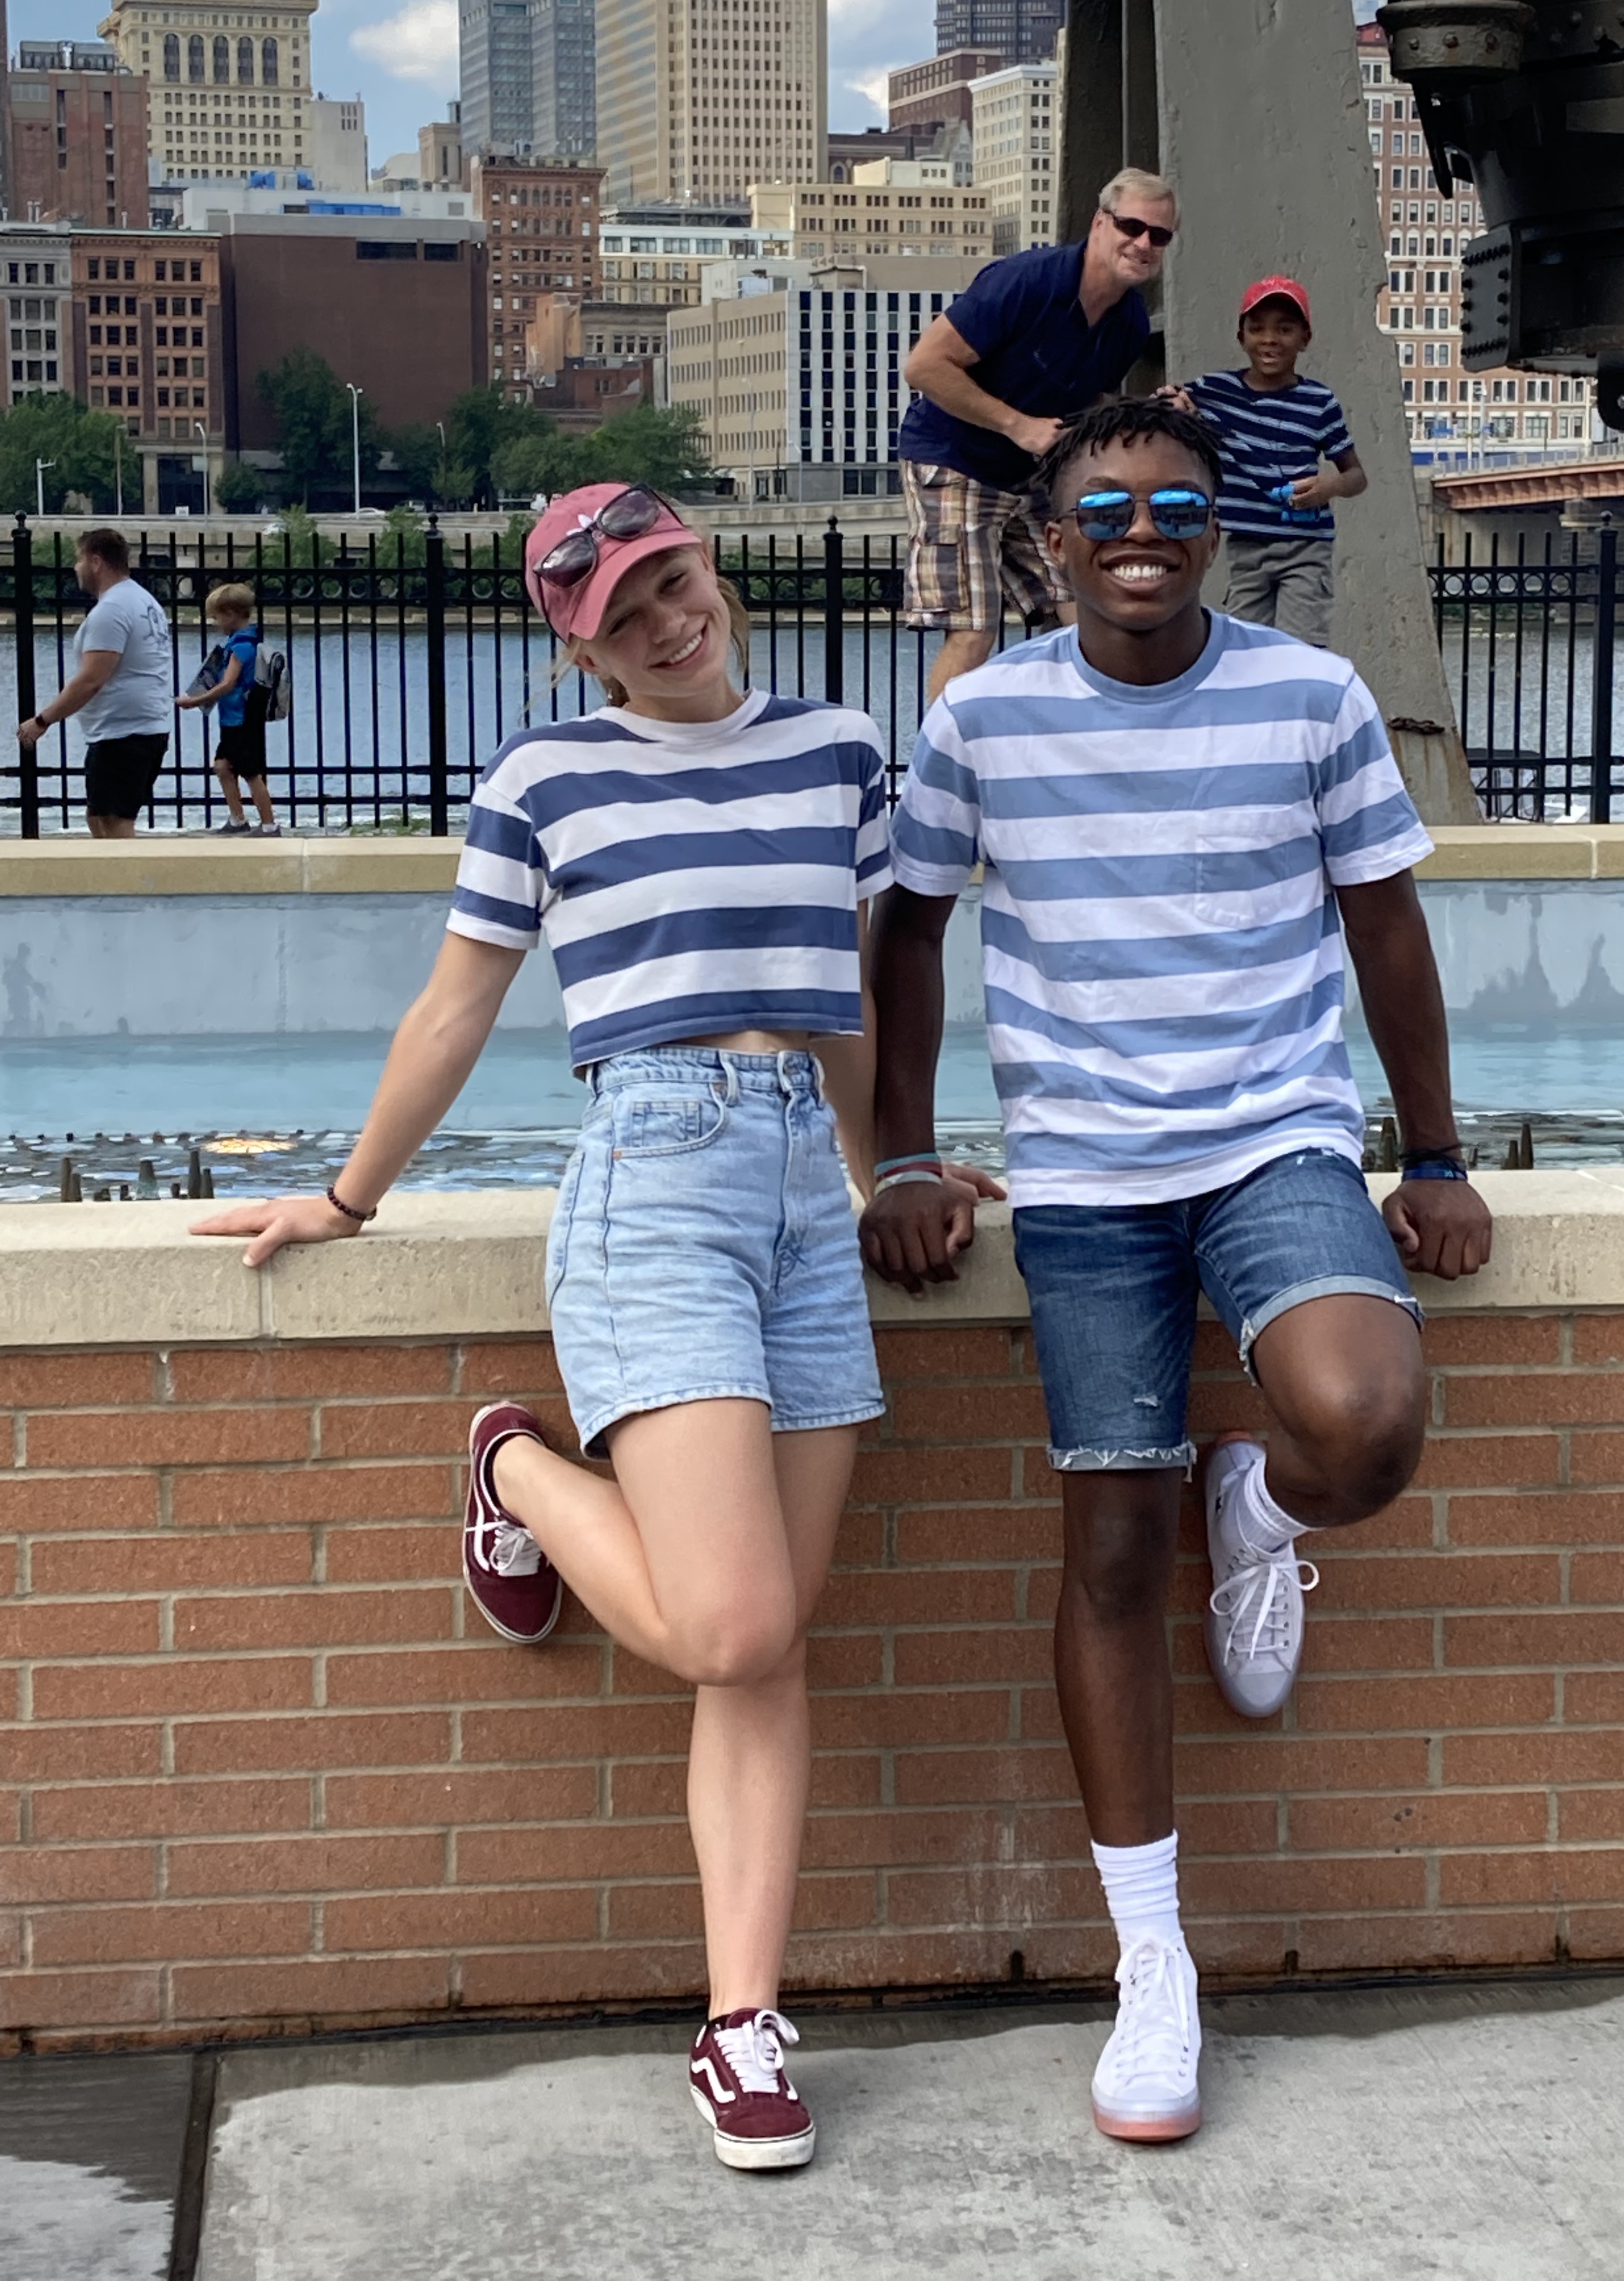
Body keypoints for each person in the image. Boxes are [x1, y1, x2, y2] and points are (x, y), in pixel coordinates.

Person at [192, 483, 998, 2174]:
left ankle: (740, 2024)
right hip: (655, 1178)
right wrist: (344, 1199)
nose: (667, 623)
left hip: (803, 1196)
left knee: (771, 1643)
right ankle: (517, 1471)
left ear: (710, 564)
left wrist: (894, 1173)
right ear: (580, 647)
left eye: (673, 581)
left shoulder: (840, 752)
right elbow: (455, 1008)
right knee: (731, 1625)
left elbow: (852, 999)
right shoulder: (542, 780)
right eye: (622, 615)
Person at [863, 396, 1491, 2148]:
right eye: (1107, 510)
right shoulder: (983, 719)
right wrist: (902, 1154)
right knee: (1113, 1553)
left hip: (1275, 1141)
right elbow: (906, 932)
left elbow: (1386, 927)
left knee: (1366, 1423)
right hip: (1081, 1178)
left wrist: (1436, 1155)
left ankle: (1261, 1505)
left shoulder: (1313, 697)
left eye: (1179, 509)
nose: (1143, 533)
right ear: (1048, 540)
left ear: (1218, 529)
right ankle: (1155, 1963)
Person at [899, 166, 1176, 703]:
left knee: (1088, 613)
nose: (1143, 244)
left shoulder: (1130, 323)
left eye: (1159, 235)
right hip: (954, 459)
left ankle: (1087, 739)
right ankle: (940, 755)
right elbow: (925, 367)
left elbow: (1087, 406)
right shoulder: (1027, 281)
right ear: (1100, 223)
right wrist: (1019, 425)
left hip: (1033, 475)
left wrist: (1147, 412)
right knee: (975, 628)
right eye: (1132, 227)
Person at [1178, 277, 1366, 649]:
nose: (1270, 339)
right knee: (1244, 650)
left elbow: (1357, 476)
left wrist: (1328, 486)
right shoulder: (1214, 391)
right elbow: (1166, 401)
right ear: (1241, 337)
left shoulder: (1319, 402)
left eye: (1284, 329)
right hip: (1246, 547)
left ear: (1305, 339)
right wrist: (1175, 406)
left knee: (1300, 650)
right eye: (1257, 329)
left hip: (1305, 547)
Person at [14, 528, 171, 838]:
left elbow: (91, 680)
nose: (77, 568)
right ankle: (115, 872)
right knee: (98, 817)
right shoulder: (143, 600)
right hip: (136, 728)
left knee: (114, 822)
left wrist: (42, 721)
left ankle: (129, 872)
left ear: (96, 562)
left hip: (124, 733)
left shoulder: (112, 609)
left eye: (80, 559)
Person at [176, 582, 279, 835]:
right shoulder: (245, 641)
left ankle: (269, 825)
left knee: (251, 773)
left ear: (231, 614)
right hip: (232, 720)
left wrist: (195, 700)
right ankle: (237, 820)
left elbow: (228, 684)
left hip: (241, 720)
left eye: (217, 617)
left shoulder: (240, 646)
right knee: (223, 766)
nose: (216, 623)